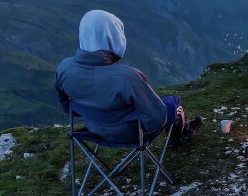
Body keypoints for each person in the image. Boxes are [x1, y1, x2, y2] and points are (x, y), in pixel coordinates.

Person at [53, 9, 202, 147]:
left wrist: (95, 113)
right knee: (174, 102)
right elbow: (157, 119)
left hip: (93, 130)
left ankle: (185, 129)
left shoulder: (64, 68)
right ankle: (180, 133)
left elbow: (68, 107)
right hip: (131, 134)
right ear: (114, 37)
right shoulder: (127, 76)